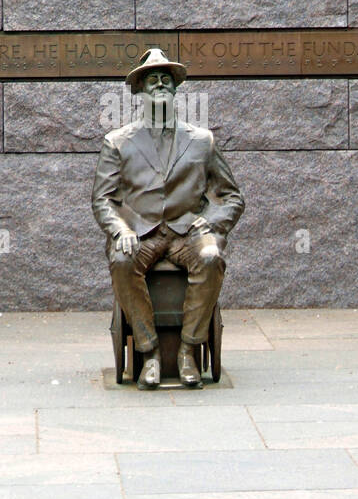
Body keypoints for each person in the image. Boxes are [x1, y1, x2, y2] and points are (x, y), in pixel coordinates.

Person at [91, 48, 245, 388]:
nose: (159, 85)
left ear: (175, 90)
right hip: (142, 232)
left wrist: (212, 221)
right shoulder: (117, 142)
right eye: (152, 81)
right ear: (140, 92)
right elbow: (102, 199)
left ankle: (188, 350)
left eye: (165, 80)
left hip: (188, 230)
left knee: (211, 256)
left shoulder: (202, 141)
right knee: (121, 260)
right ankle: (149, 353)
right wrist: (119, 228)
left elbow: (232, 196)